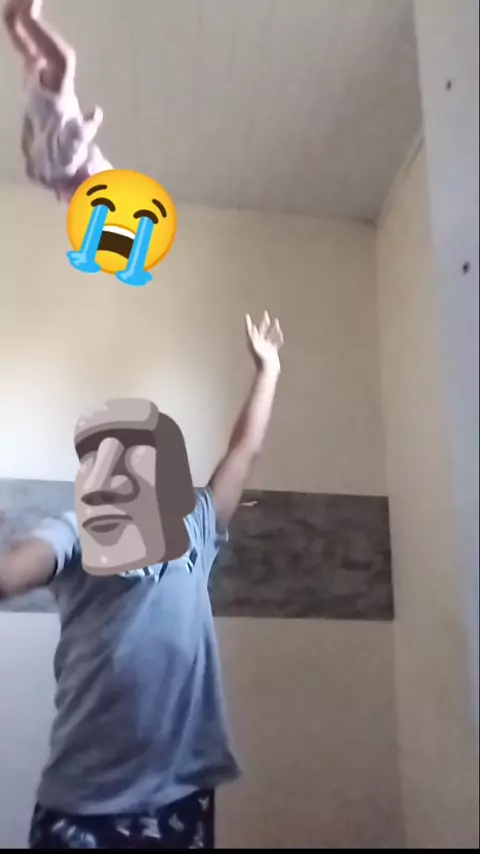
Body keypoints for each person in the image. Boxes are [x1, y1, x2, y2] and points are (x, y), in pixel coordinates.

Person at [0, 312, 284, 850]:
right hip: (83, 804)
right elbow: (14, 573)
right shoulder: (75, 531)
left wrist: (267, 372)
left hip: (178, 798)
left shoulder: (197, 525)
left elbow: (244, 450)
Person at [3, 0, 112, 204]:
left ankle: (28, 17)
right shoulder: (58, 173)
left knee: (64, 62)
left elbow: (76, 135)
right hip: (42, 132)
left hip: (54, 120)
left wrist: (93, 119)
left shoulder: (71, 161)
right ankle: (11, 20)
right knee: (34, 59)